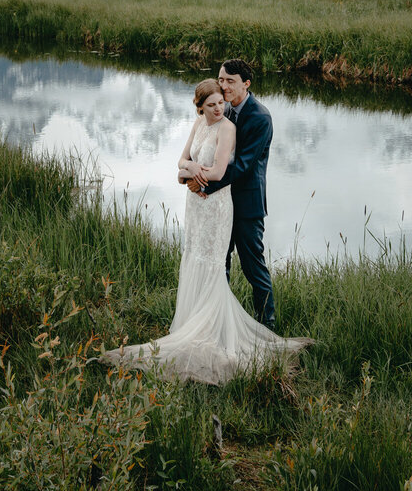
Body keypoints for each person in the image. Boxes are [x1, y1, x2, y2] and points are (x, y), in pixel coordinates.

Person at [101, 75, 310, 384]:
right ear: (199, 107)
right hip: (196, 204)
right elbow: (181, 161)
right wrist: (191, 172)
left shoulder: (234, 125)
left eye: (221, 101)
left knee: (227, 264)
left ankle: (239, 327)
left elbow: (225, 170)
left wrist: (196, 177)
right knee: (196, 258)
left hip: (218, 205)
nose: (218, 107)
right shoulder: (201, 124)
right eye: (212, 104)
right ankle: (192, 324)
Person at [188, 59, 277, 330]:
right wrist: (191, 173)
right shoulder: (219, 110)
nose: (223, 86)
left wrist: (204, 184)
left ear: (246, 84)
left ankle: (267, 326)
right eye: (221, 79)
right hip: (219, 205)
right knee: (219, 263)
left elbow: (242, 165)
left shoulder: (260, 117)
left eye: (230, 81)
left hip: (246, 205)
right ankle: (219, 323)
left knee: (253, 268)